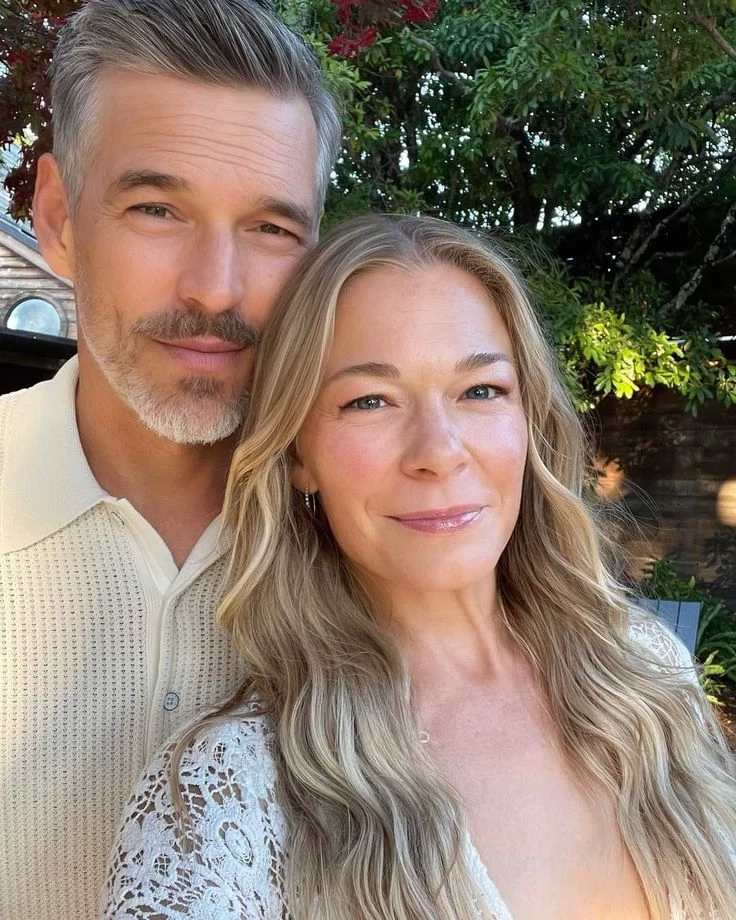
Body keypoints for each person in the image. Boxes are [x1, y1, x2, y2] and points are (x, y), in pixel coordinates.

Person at [102, 214, 736, 920]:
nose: (439, 452)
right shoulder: (227, 796)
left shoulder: (646, 672)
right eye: (369, 401)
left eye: (481, 390)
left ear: (530, 420)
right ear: (298, 455)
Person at [0, 1, 341, 917]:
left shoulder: (374, 539)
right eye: (157, 209)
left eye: (271, 228)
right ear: (58, 218)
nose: (216, 288)